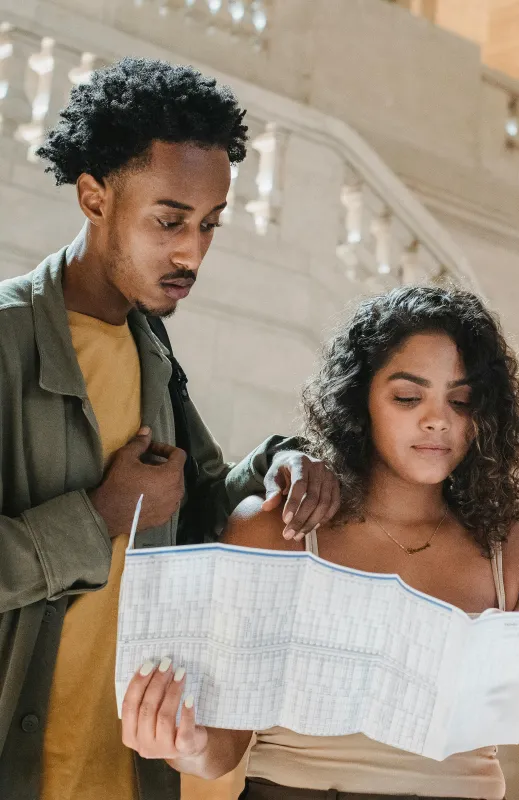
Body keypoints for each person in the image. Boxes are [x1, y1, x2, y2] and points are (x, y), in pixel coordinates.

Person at [0, 57, 339, 800]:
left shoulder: (151, 347)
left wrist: (283, 464)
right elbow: (127, 509)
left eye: (209, 225)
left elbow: (199, 500)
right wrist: (100, 516)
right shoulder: (7, 341)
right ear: (95, 198)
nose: (192, 252)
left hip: (131, 774)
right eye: (169, 220)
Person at [121, 286, 519, 798]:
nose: (437, 419)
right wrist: (181, 740)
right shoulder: (276, 530)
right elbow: (219, 751)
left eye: (460, 400)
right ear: (359, 399)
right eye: (408, 397)